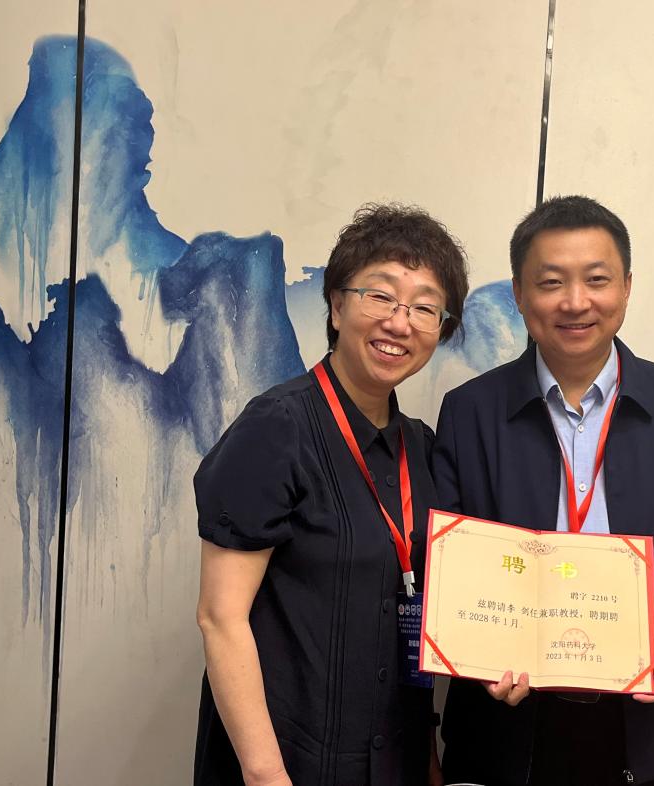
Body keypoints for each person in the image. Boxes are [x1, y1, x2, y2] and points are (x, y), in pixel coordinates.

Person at [432, 195, 654, 786]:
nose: (576, 301)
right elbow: (448, 554)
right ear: (519, 294)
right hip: (502, 720)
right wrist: (480, 649)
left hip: (640, 721)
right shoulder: (469, 411)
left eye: (597, 279)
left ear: (626, 288)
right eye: (551, 282)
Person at [193, 204, 469, 786]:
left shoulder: (422, 447)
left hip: (392, 759)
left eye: (425, 307)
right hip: (290, 761)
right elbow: (220, 617)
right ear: (337, 306)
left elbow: (410, 612)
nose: (399, 322)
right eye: (380, 296)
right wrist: (267, 776)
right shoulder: (276, 427)